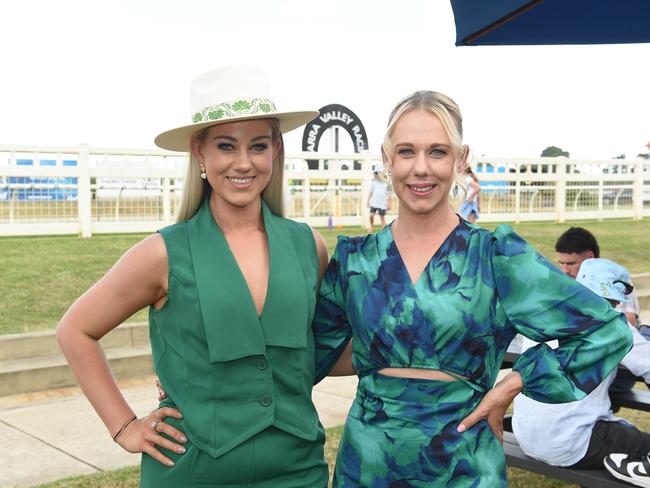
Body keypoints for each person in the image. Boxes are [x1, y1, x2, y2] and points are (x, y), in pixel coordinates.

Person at [311, 90, 632, 487]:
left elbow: (605, 330)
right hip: (369, 463)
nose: (421, 168)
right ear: (386, 158)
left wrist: (515, 383)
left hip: (463, 462)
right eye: (407, 152)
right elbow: (308, 356)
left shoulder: (495, 258)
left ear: (461, 159)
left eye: (438, 152)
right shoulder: (354, 261)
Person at [56, 65, 333, 487]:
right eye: (226, 146)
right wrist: (124, 426)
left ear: (275, 150)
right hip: (191, 473)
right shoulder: (162, 253)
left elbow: (325, 348)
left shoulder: (308, 246)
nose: (244, 162)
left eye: (258, 145)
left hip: (298, 471)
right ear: (200, 153)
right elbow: (75, 330)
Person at [512, 258, 650, 470]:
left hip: (527, 436)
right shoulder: (611, 320)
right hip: (572, 443)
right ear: (614, 299)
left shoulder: (543, 312)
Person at [555, 226, 641, 327]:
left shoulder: (615, 280)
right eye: (561, 263)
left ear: (590, 258)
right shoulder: (563, 283)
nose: (565, 271)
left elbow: (628, 322)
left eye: (571, 263)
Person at [367, 163, 391, 228]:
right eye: (376, 173)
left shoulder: (387, 183)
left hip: (383, 203)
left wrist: (389, 204)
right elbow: (370, 193)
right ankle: (371, 226)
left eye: (379, 173)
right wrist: (368, 201)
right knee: (371, 215)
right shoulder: (374, 183)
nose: (378, 175)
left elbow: (389, 194)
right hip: (374, 203)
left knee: (382, 217)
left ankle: (383, 229)